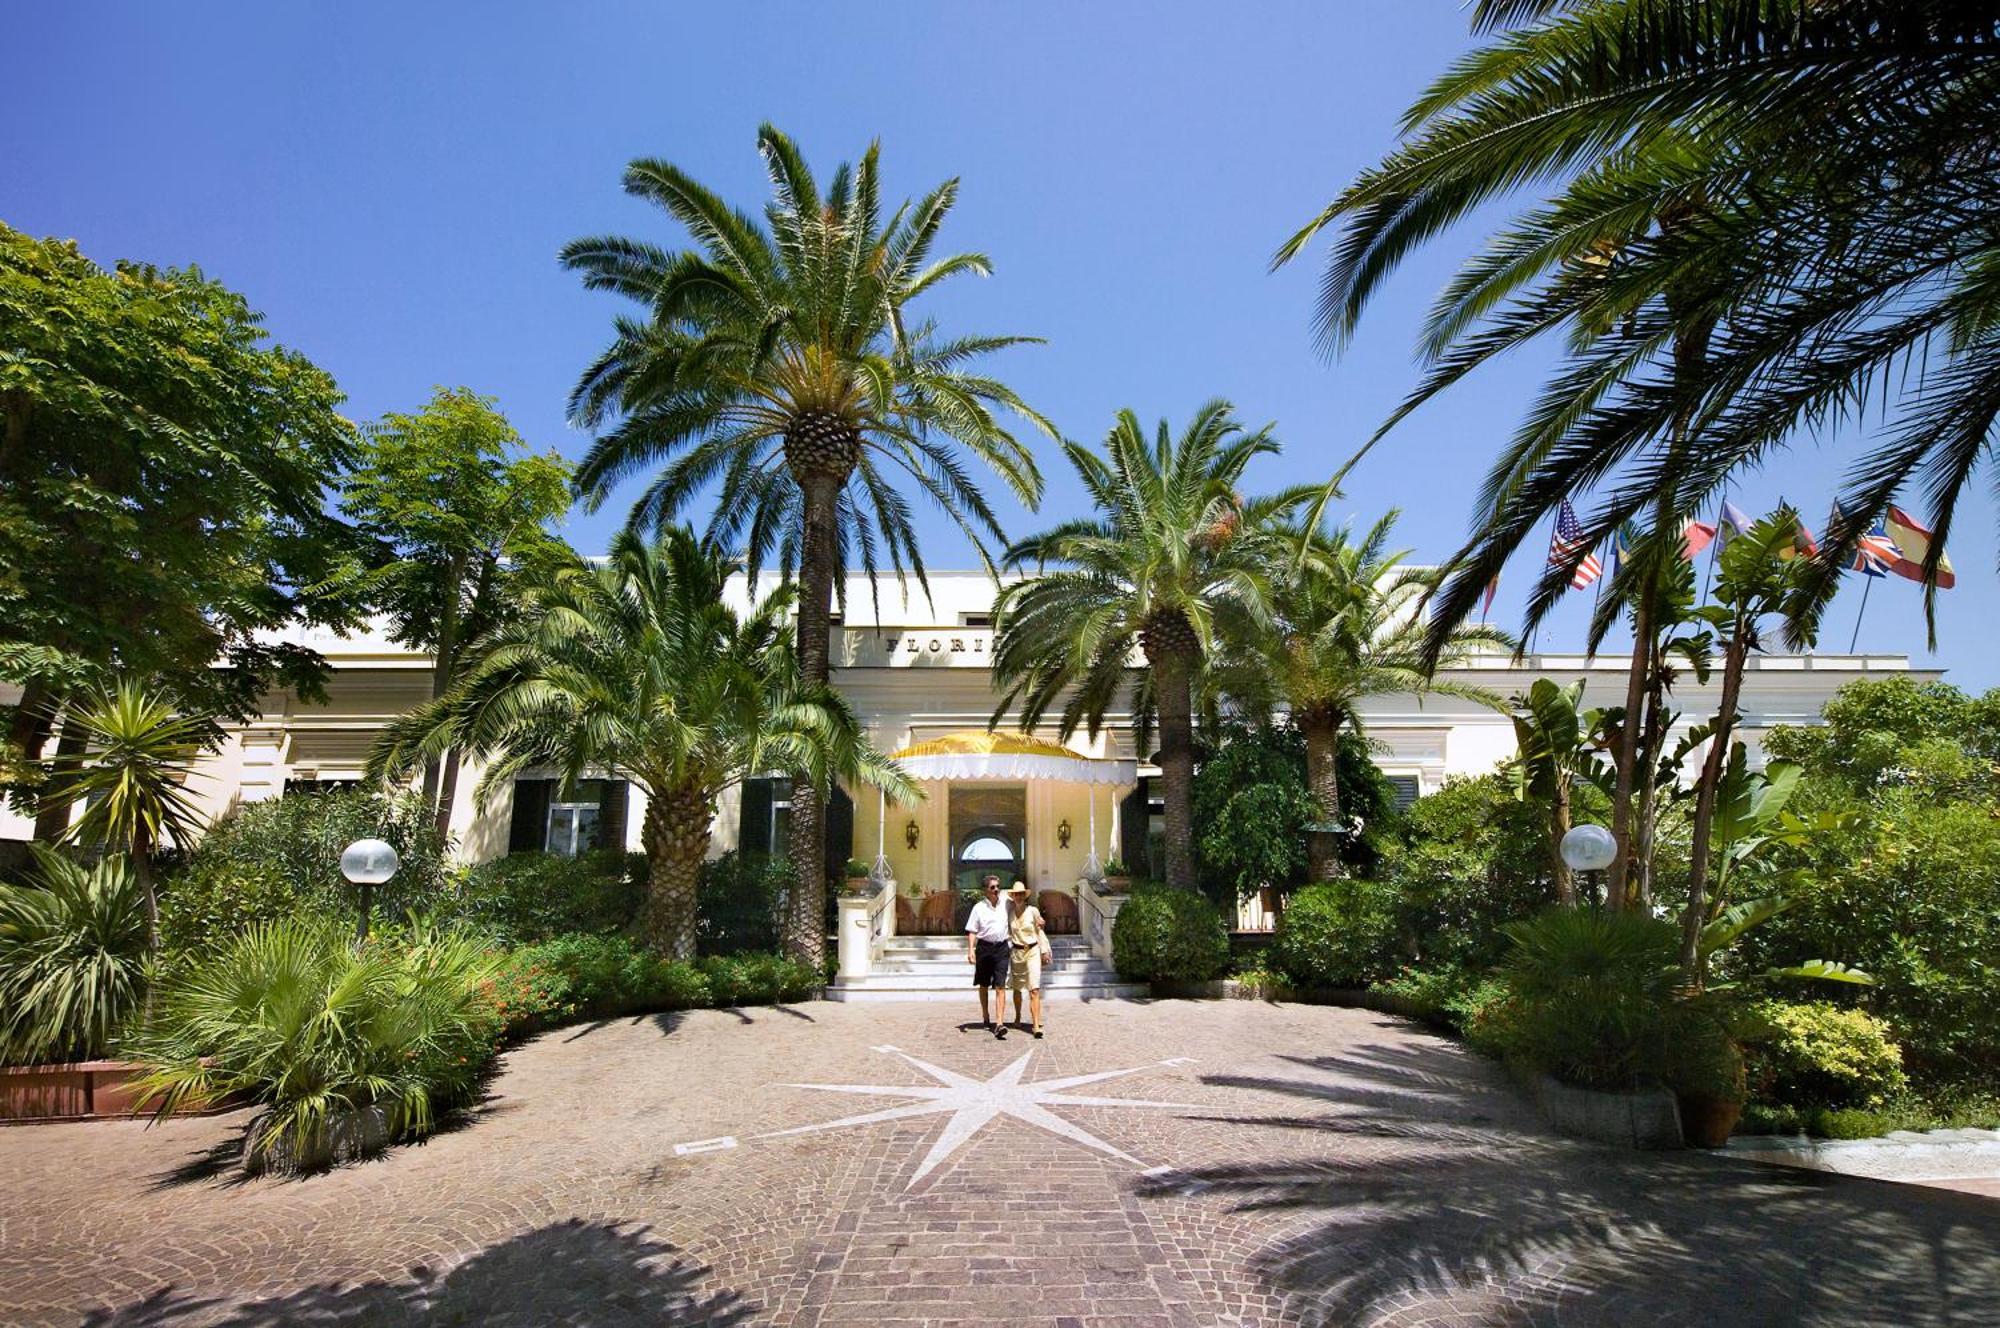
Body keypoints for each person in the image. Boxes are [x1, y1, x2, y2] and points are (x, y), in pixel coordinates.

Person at [964, 874, 1012, 1038]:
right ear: (986, 890)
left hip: (1002, 948)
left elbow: (1021, 907)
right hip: (984, 948)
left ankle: (999, 1023)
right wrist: (971, 950)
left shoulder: (1006, 904)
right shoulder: (978, 908)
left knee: (1000, 985)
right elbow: (972, 930)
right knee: (983, 984)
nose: (996, 890)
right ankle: (986, 1015)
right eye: (993, 887)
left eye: (998, 886)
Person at [1004, 880, 1051, 1039]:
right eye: (1016, 894)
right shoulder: (1009, 913)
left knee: (1034, 989)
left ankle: (1036, 1025)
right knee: (1017, 988)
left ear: (1025, 896)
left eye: (1020, 894)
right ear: (1013, 896)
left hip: (1032, 951)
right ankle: (1017, 1015)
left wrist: (1044, 950)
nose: (1018, 897)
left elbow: (1040, 932)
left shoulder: (1033, 911)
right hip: (1017, 953)